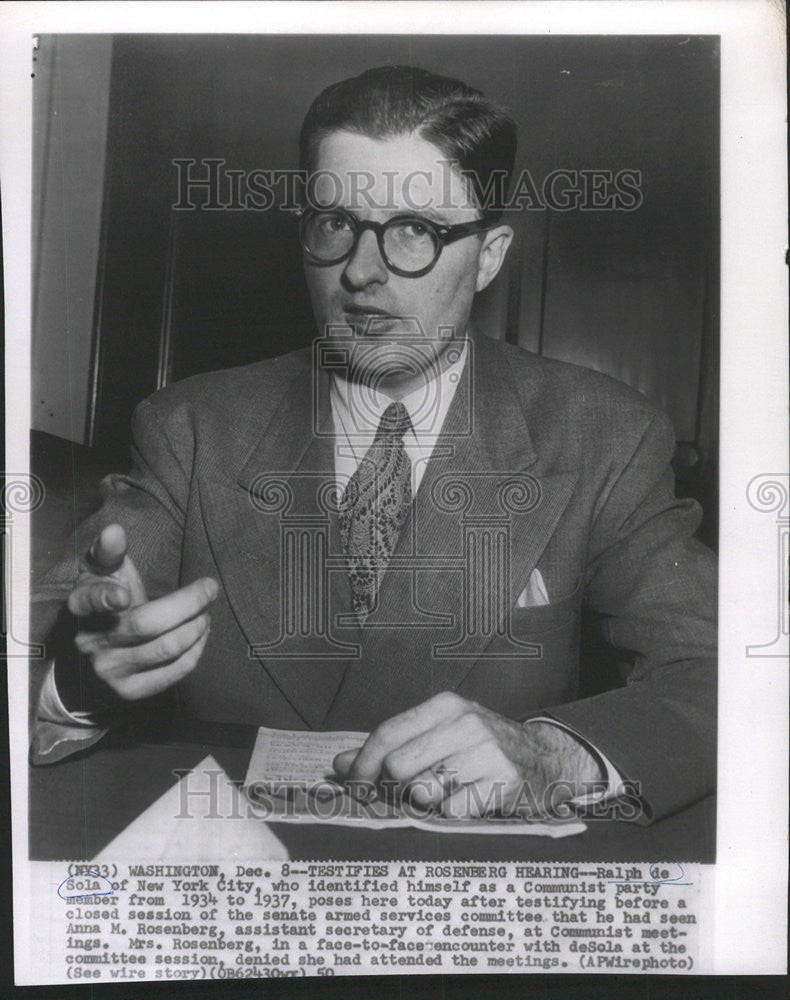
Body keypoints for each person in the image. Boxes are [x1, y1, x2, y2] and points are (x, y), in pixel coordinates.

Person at [31, 66, 716, 824]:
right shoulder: (189, 427)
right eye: (334, 226)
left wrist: (556, 754)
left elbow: (715, 679)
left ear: (489, 255)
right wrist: (79, 674)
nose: (360, 273)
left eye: (415, 232)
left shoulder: (605, 436)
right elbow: (76, 619)